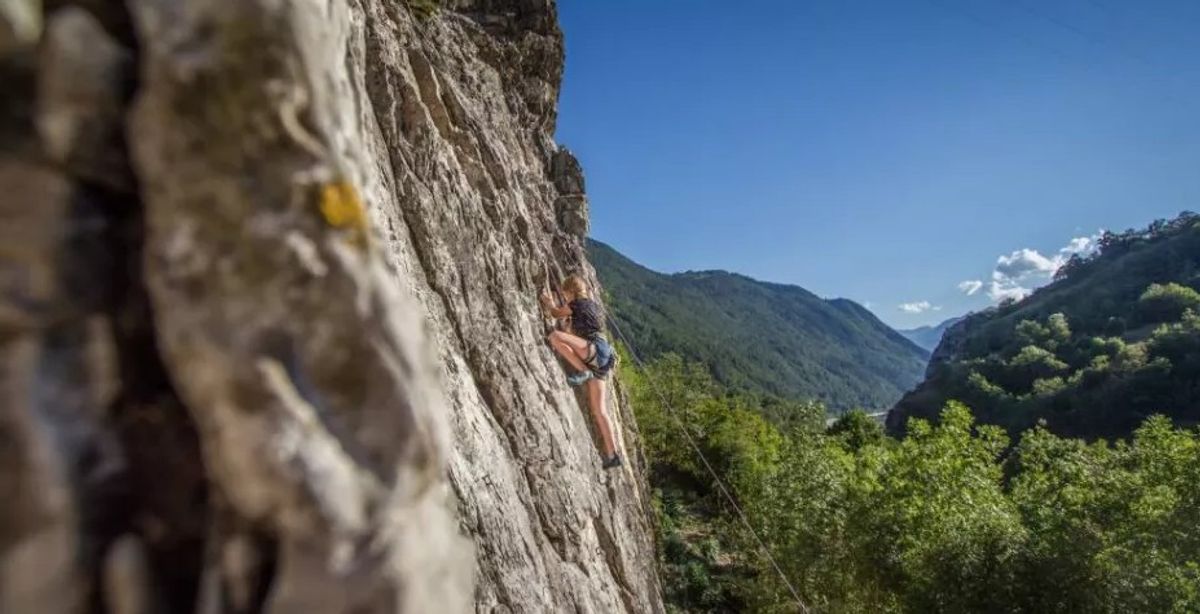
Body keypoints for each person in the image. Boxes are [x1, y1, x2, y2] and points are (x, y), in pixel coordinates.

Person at [540, 275, 622, 469]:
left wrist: (548, 302)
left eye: (565, 294)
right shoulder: (592, 306)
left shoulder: (577, 304)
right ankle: (613, 454)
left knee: (554, 336)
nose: (565, 297)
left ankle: (584, 371)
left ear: (570, 292)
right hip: (602, 355)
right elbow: (577, 337)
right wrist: (569, 331)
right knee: (599, 410)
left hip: (594, 349)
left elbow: (555, 314)